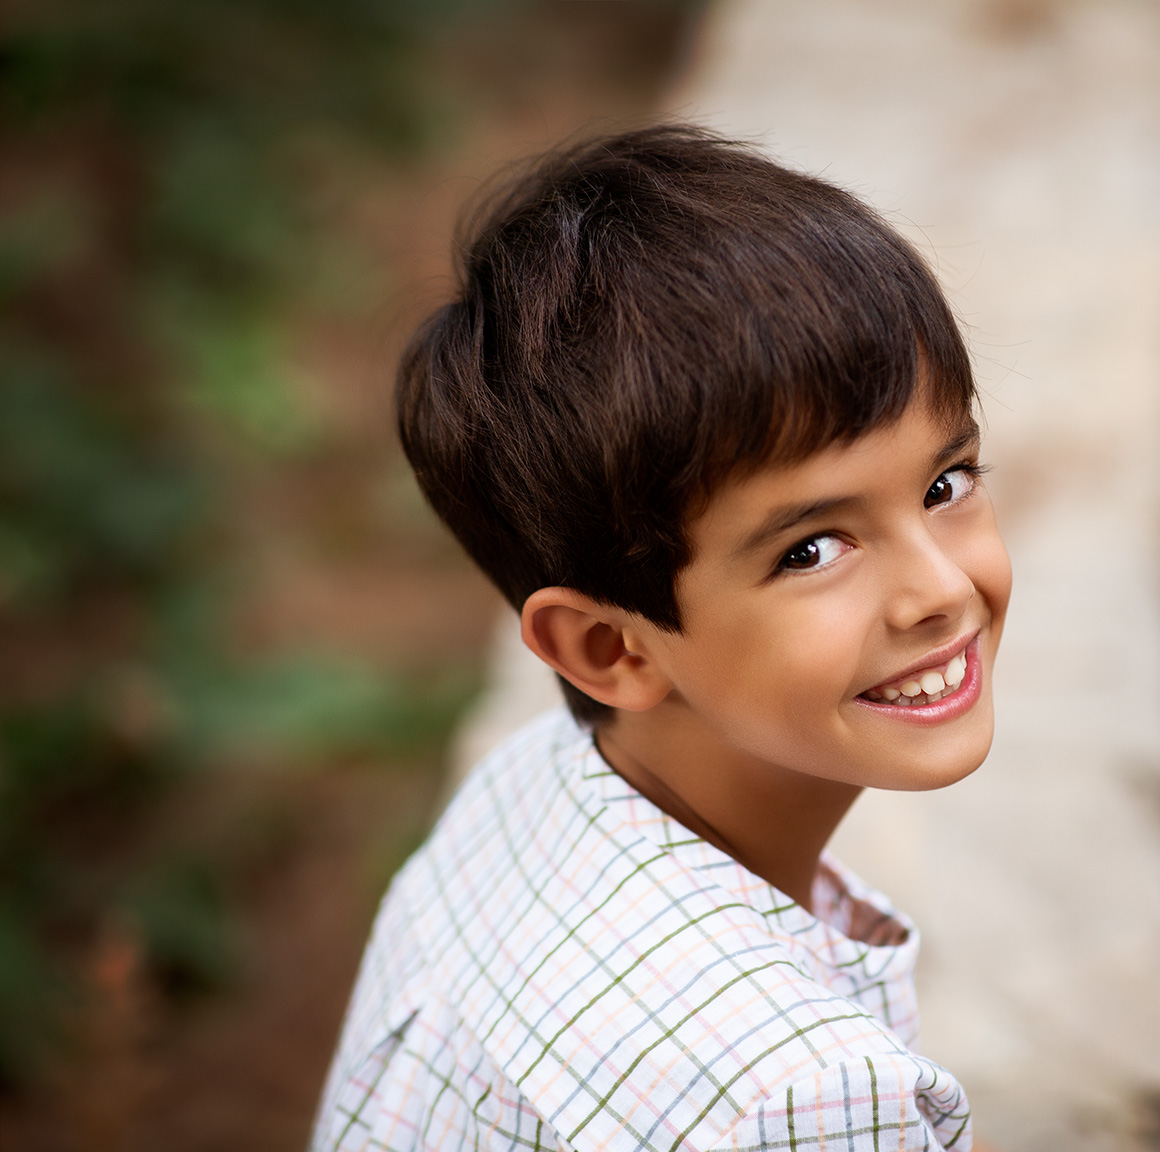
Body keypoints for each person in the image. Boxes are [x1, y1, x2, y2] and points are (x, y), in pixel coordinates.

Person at [310, 125, 1011, 1152]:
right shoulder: (795, 1092)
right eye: (813, 550)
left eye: (945, 486)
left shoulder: (531, 789)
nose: (942, 589)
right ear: (610, 649)